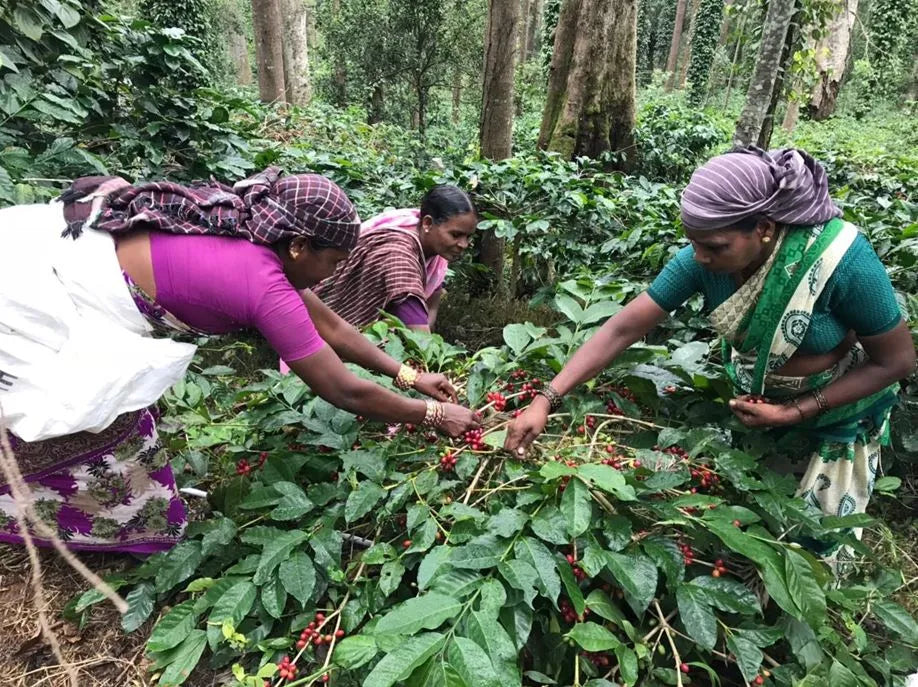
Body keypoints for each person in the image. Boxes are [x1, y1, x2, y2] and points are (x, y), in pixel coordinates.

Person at [0, 168, 479, 554]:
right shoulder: (261, 282)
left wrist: (410, 375)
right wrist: (435, 415)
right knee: (96, 423)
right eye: (334, 260)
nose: (335, 271)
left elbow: (332, 327)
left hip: (65, 265)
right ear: (299, 245)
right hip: (37, 295)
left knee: (118, 418)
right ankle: (82, 524)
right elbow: (341, 389)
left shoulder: (259, 239)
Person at [506, 147, 915, 557]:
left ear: (765, 228)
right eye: (693, 243)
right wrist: (546, 399)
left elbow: (897, 361)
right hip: (758, 406)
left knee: (811, 542)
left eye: (716, 247)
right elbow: (621, 329)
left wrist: (796, 410)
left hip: (835, 409)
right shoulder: (701, 261)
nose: (700, 257)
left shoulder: (841, 261)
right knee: (755, 526)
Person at [315, 184, 477, 331]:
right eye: (456, 235)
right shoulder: (398, 255)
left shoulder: (437, 257)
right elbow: (420, 334)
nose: (463, 244)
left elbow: (431, 309)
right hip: (326, 326)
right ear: (427, 223)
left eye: (468, 237)